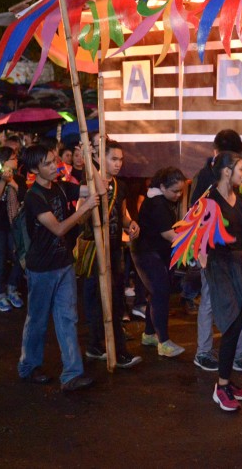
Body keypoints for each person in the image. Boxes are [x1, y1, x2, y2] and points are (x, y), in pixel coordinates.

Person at [17, 145, 97, 392]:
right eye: (48, 164)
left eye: (55, 161)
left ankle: (72, 374)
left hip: (64, 264)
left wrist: (89, 159)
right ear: (34, 169)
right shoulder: (34, 197)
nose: (55, 167)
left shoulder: (62, 186)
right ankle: (29, 367)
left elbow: (100, 188)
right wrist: (84, 209)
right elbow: (59, 229)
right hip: (41, 268)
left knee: (68, 318)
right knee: (38, 321)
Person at [189, 130, 242, 374]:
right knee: (209, 301)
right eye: (237, 164)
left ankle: (240, 355)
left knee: (240, 303)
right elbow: (193, 218)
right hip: (213, 257)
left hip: (236, 257)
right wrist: (201, 255)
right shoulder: (206, 183)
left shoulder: (239, 189)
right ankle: (203, 351)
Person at [82, 141, 143, 369]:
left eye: (120, 160)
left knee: (115, 300)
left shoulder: (120, 186)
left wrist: (130, 224)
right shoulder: (88, 183)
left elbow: (123, 214)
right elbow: (80, 216)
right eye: (113, 159)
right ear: (101, 159)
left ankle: (105, 347)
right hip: (96, 250)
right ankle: (107, 348)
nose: (118, 164)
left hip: (115, 249)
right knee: (98, 300)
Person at [205, 151, 242, 411]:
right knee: (232, 324)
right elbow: (201, 238)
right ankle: (221, 386)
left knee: (240, 322)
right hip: (219, 266)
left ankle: (227, 381)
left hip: (239, 264)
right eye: (241, 169)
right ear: (227, 171)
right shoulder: (209, 200)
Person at [133, 166, 187, 357]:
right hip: (147, 254)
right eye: (175, 191)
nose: (178, 195)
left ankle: (149, 334)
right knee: (160, 293)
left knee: (155, 293)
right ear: (162, 186)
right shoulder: (157, 203)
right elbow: (168, 234)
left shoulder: (160, 199)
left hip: (154, 253)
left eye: (181, 191)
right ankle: (163, 342)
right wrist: (190, 244)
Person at [0, 146, 25, 312]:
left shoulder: (20, 178)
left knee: (19, 258)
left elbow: (25, 198)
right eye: (13, 158)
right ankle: (0, 295)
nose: (16, 160)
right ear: (3, 161)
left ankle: (12, 287)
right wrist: (3, 180)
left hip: (14, 225)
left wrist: (13, 183)